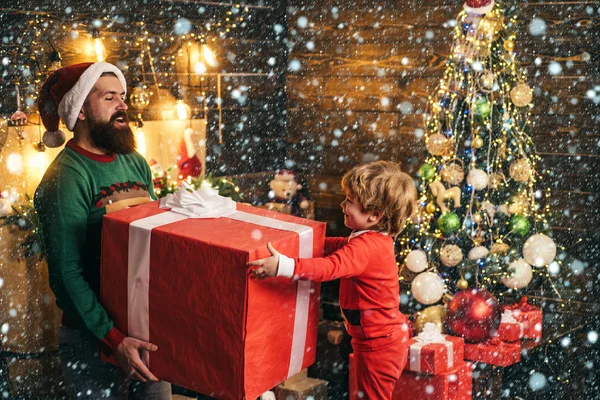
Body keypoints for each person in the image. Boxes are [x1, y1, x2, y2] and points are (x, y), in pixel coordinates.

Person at [34, 62, 171, 400]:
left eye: (122, 97)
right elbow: (66, 275)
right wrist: (112, 339)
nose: (123, 106)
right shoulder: (67, 177)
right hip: (92, 341)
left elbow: (148, 242)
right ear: (80, 110)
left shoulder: (135, 162)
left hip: (143, 333)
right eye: (110, 98)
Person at [248, 161, 418, 400]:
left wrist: (284, 266)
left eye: (349, 201)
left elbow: (331, 267)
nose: (343, 205)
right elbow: (335, 247)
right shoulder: (367, 240)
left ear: (374, 215)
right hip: (373, 340)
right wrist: (302, 242)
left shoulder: (367, 247)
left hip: (380, 345)